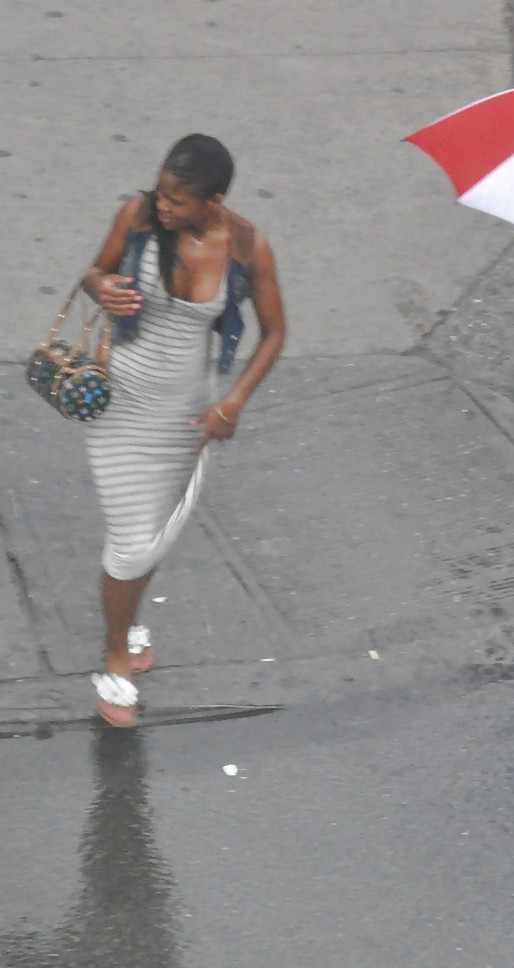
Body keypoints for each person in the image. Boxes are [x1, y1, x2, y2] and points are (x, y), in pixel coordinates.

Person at [80, 134, 287, 727]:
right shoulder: (137, 216)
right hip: (119, 400)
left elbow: (274, 331)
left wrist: (234, 402)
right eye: (162, 192)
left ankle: (128, 617)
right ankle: (116, 657)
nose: (163, 207)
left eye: (179, 200)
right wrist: (104, 288)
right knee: (131, 541)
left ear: (214, 200)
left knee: (152, 532)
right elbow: (94, 272)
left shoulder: (247, 247)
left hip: (185, 411)